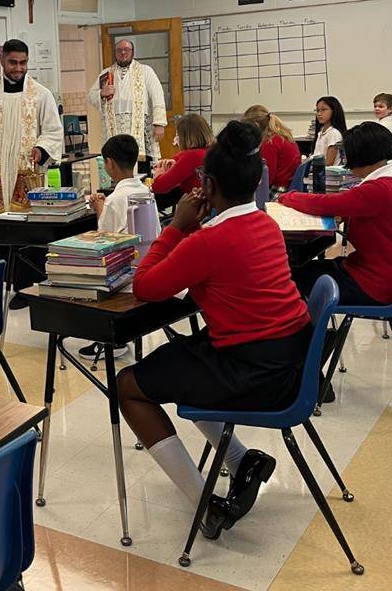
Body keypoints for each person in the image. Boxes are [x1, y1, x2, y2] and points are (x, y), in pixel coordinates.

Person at [116, 121, 312, 539]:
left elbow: (146, 287)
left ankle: (205, 505)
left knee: (128, 386)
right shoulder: (264, 223)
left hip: (255, 373)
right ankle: (242, 461)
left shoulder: (208, 238)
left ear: (205, 185)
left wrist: (175, 228)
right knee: (183, 356)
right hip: (289, 358)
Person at [279, 122, 392, 308]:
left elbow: (325, 204)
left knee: (288, 278)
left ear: (359, 156)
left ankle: (306, 332)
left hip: (372, 284)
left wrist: (288, 197)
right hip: (374, 273)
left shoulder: (377, 189)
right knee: (299, 271)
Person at [0, 39, 63, 220]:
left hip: (26, 167)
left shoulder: (41, 94)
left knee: (26, 225)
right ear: (2, 61)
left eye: (23, 63)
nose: (18, 68)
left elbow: (53, 131)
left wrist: (41, 148)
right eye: (13, 62)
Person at [79, 134, 146, 361]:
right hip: (145, 263)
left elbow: (105, 238)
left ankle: (106, 338)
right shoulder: (145, 191)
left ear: (109, 163)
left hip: (123, 272)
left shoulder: (116, 198)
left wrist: (100, 207)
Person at [88, 39, 167, 163]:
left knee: (141, 161)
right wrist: (102, 92)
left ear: (132, 52)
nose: (123, 53)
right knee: (117, 159)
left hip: (139, 123)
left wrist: (159, 123)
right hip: (115, 125)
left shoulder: (145, 71)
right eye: (119, 50)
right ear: (115, 52)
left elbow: (158, 95)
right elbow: (91, 96)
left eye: (127, 50)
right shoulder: (106, 73)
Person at [151, 114, 214, 206]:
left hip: (197, 209)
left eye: (177, 134)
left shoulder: (190, 156)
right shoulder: (213, 151)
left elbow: (159, 187)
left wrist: (159, 173)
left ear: (184, 136)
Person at [243, 105, 300, 191]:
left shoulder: (269, 143)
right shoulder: (282, 136)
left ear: (256, 125)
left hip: (278, 189)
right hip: (288, 187)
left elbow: (267, 179)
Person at [312, 96, 347, 167]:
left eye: (323, 110)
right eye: (318, 110)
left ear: (334, 111)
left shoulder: (334, 133)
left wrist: (310, 163)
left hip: (328, 175)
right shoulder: (321, 132)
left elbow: (329, 162)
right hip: (319, 171)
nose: (319, 114)